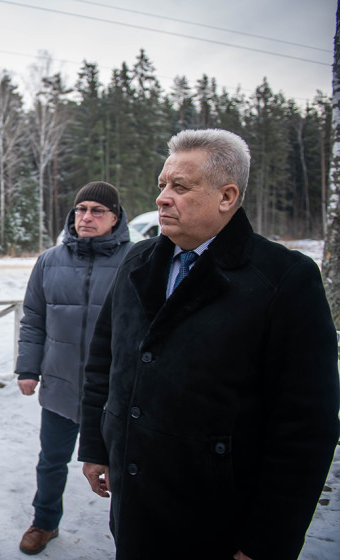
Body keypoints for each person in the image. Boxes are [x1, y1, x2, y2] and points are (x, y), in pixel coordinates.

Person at [77, 129, 340, 560]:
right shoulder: (137, 261)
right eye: (162, 184)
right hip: (134, 506)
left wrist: (265, 542)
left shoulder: (284, 279)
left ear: (226, 196)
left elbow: (305, 428)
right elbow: (104, 360)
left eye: (180, 187)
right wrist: (95, 445)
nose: (162, 198)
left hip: (218, 522)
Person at [15, 182, 133, 555]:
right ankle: (44, 522)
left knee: (124, 468)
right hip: (61, 386)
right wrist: (28, 368)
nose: (86, 217)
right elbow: (33, 319)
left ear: (115, 217)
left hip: (115, 392)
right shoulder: (49, 260)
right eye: (81, 209)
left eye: (98, 210)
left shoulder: (136, 260)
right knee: (51, 461)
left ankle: (131, 534)